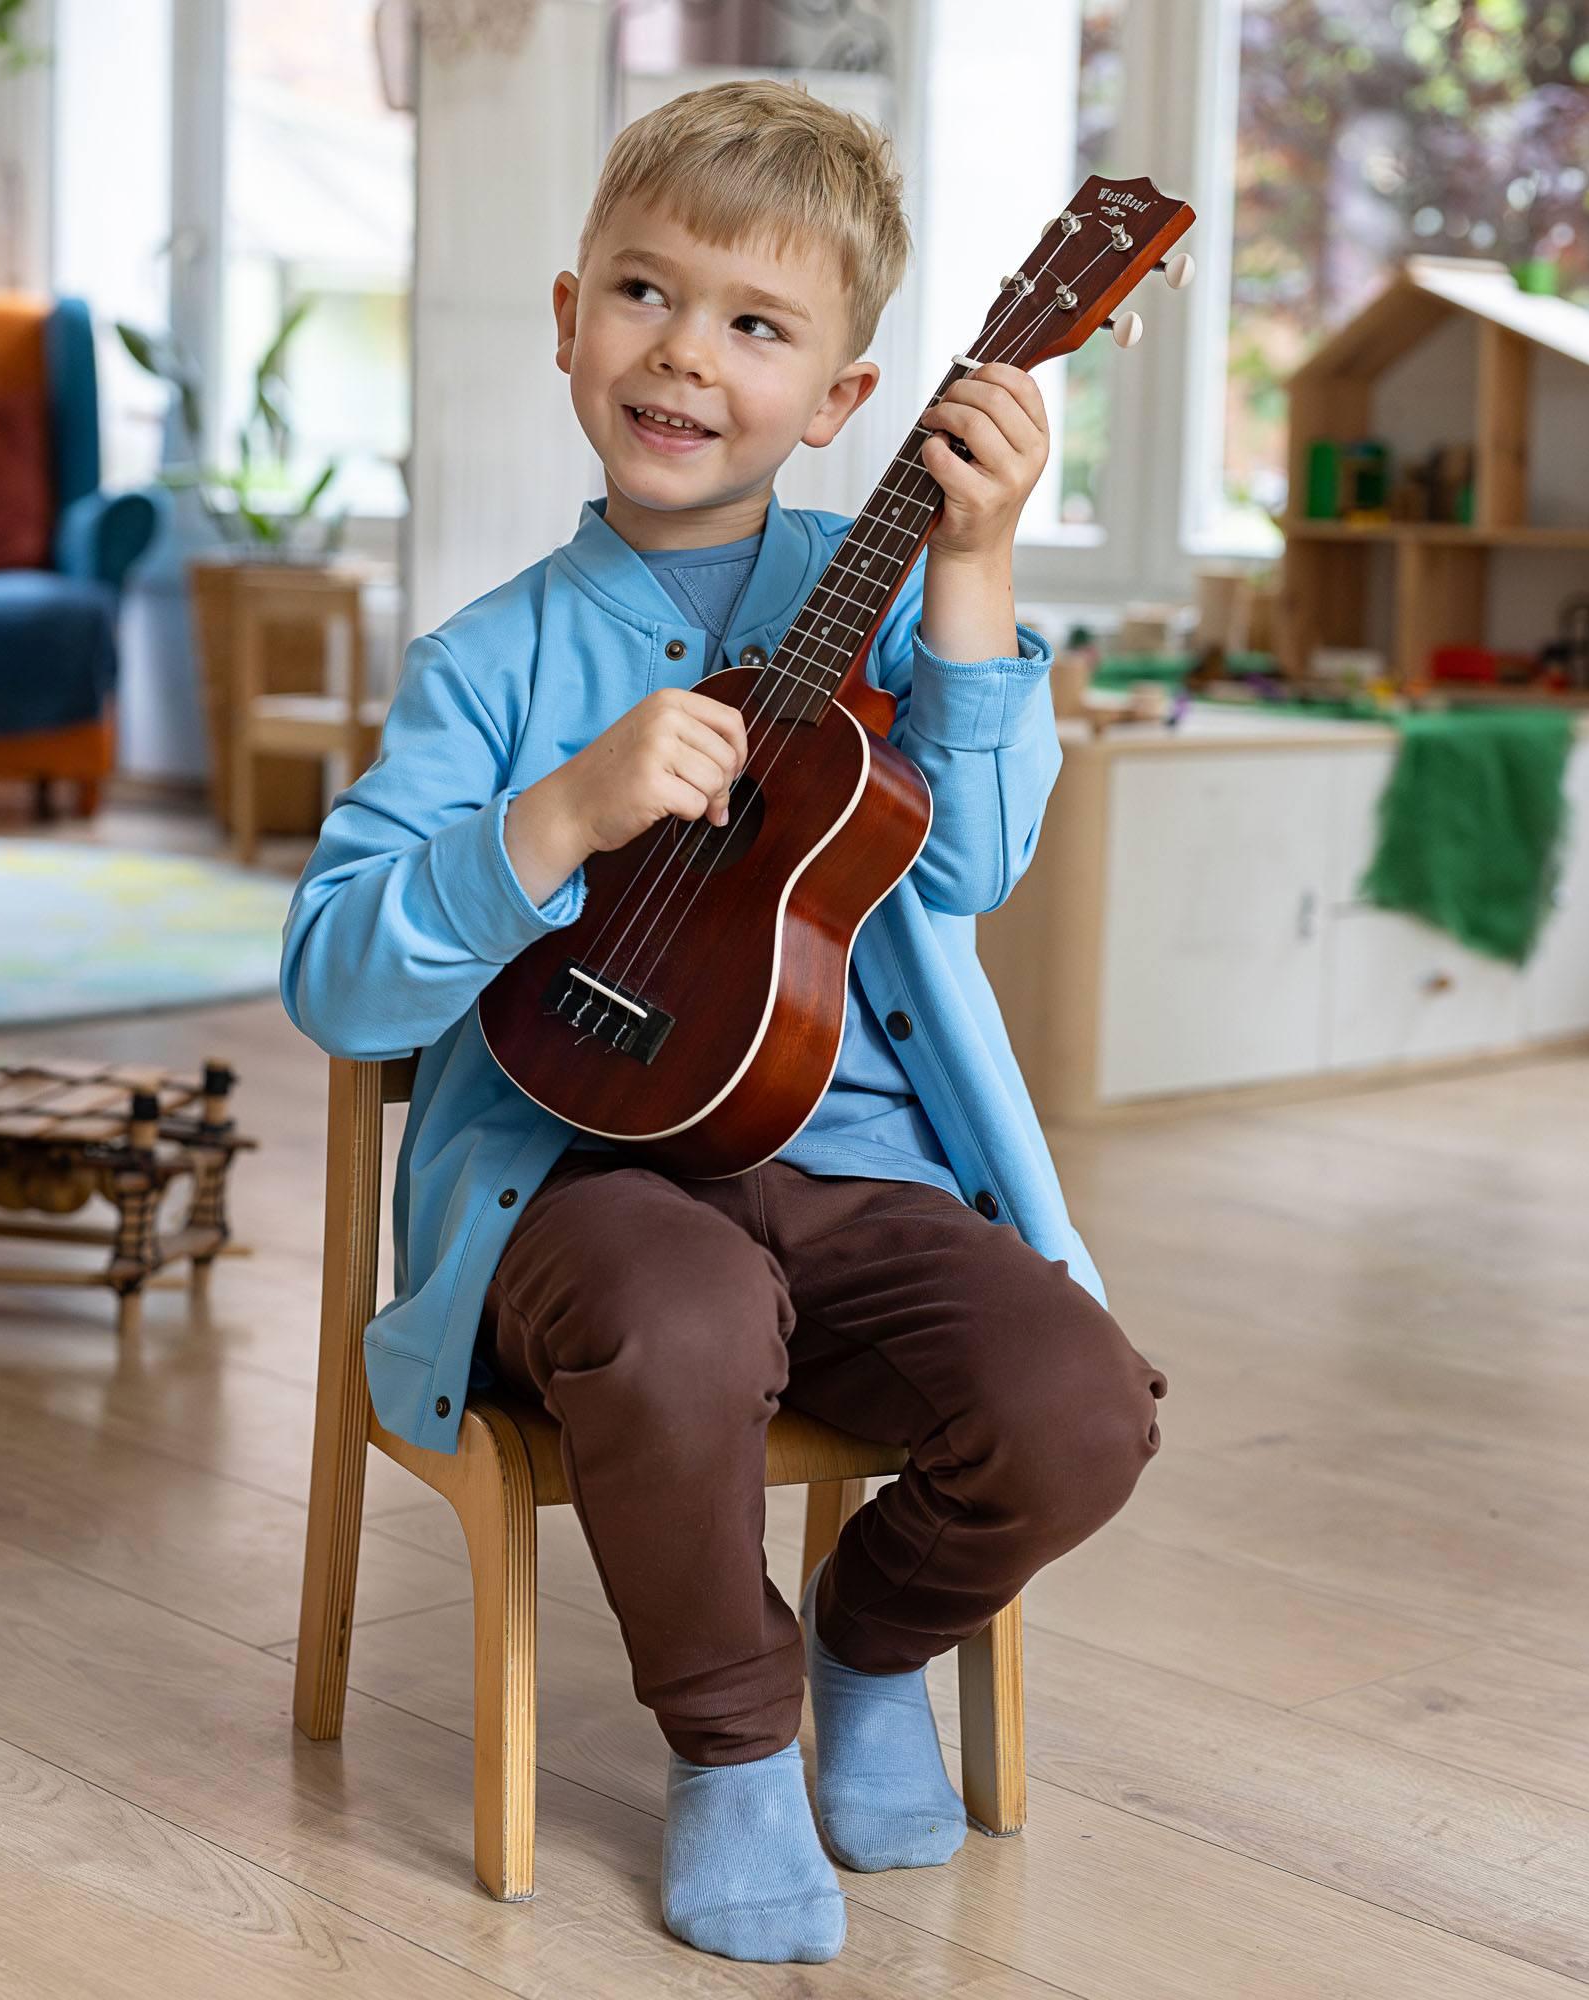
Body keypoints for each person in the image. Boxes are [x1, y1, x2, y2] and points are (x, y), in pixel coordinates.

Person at [281, 77, 1167, 1966]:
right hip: (575, 1190)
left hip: (853, 1169)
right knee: (675, 1317)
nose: (685, 355)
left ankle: (862, 1644)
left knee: (1080, 1406)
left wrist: (982, 571)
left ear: (844, 399)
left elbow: (976, 864)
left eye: (757, 326)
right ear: (567, 316)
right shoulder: (488, 664)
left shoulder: (893, 602)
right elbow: (333, 972)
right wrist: (556, 818)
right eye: (644, 294)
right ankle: (733, 1743)